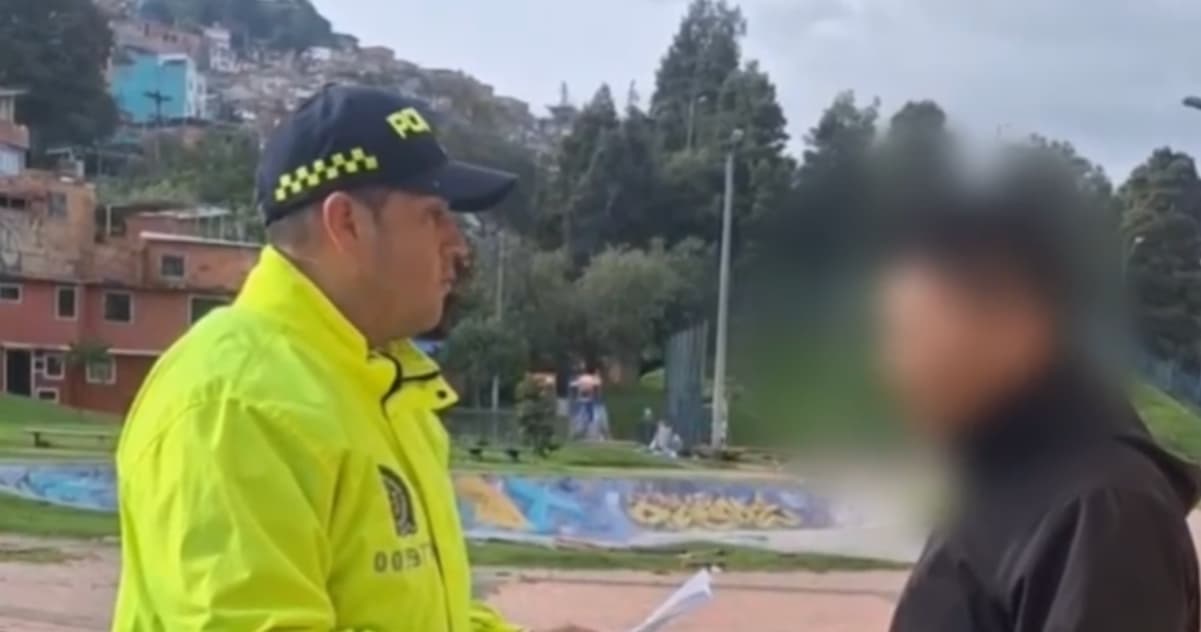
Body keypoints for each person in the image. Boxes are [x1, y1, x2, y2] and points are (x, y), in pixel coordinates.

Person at [112, 85, 591, 632]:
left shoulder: (387, 386)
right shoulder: (235, 405)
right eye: (434, 215)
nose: (458, 245)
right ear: (346, 224)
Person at [879, 187, 1201, 631]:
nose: (896, 365)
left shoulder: (1099, 508)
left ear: (1018, 328)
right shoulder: (1011, 482)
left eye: (917, 334)